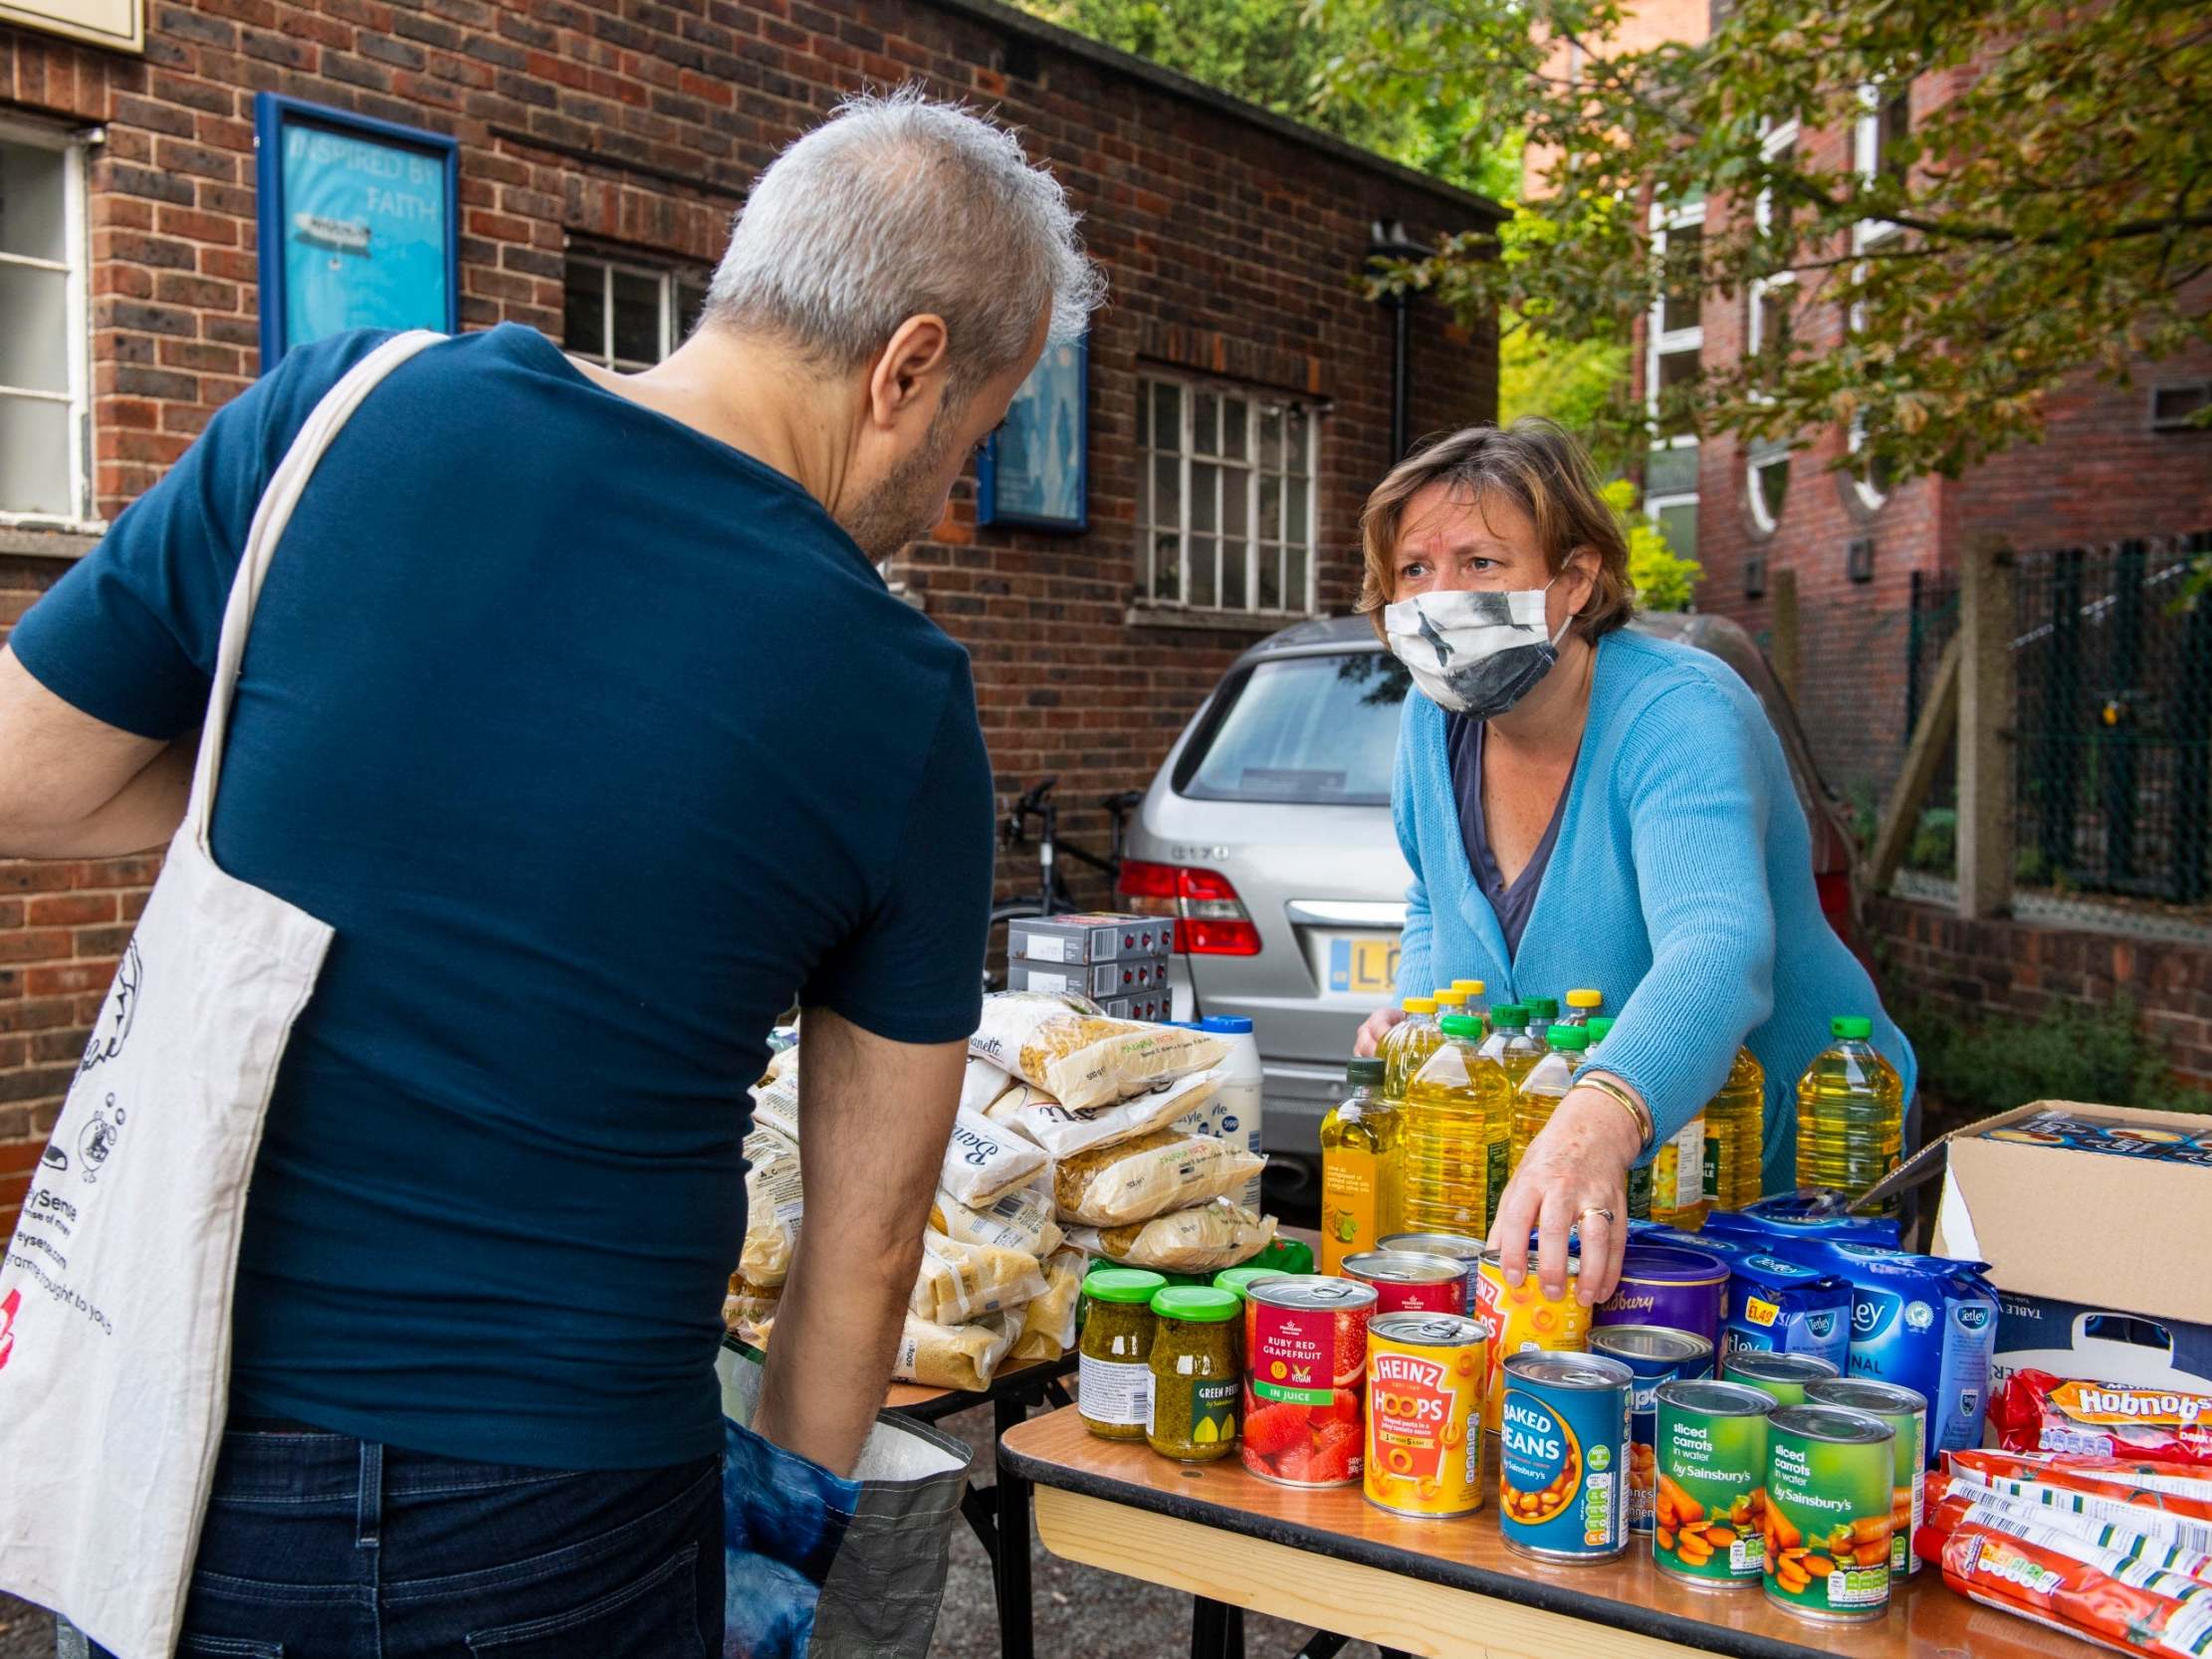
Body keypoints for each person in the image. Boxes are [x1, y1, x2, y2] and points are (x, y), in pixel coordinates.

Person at [1, 89, 1103, 1657]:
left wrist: (349, 762)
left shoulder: (343, 415)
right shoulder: (899, 700)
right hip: (568, 1506)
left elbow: (32, 773)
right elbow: (867, 1235)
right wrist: (780, 1542)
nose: (944, 485)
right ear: (907, 366)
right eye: (970, 434)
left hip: (185, 1451)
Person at [1352, 420, 1914, 1309]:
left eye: (1481, 564)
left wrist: (1600, 1116)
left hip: (1795, 1161)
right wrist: (1430, 1023)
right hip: (1608, 1189)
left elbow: (1716, 948)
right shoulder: (1435, 722)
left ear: (1575, 579)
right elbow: (1435, 896)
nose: (1439, 596)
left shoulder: (1677, 710)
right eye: (1414, 570)